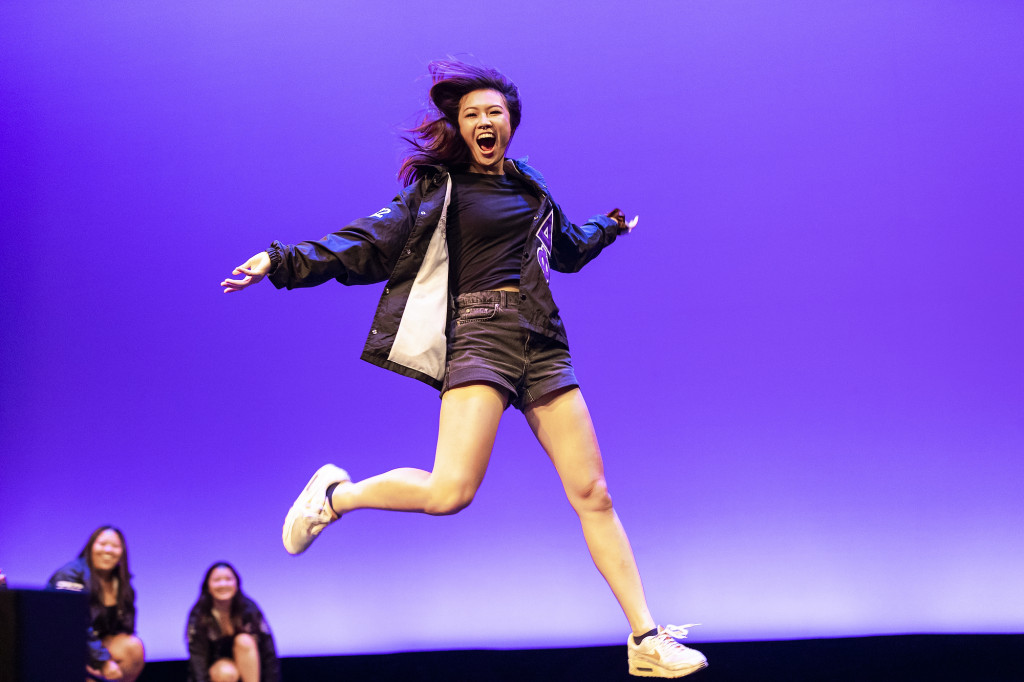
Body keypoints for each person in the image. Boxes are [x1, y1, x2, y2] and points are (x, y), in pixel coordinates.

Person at [221, 59, 707, 678]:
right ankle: (335, 497)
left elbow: (567, 250)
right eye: (471, 113)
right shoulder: (440, 191)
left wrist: (609, 228)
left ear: (511, 126)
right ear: (459, 125)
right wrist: (280, 260)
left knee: (594, 493)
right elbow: (368, 244)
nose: (483, 121)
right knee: (450, 492)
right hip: (480, 335)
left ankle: (646, 639)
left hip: (544, 340)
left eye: (494, 113)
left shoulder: (529, 187)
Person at [47, 526, 145, 681]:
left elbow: (125, 628)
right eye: (102, 544)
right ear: (90, 547)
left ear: (122, 553)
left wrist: (105, 659)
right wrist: (101, 662)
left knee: (133, 647)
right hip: (65, 647)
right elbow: (73, 625)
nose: (108, 550)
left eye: (114, 546)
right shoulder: (70, 575)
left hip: (98, 647)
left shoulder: (121, 582)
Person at [186, 562, 280, 682]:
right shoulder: (200, 614)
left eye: (228, 579)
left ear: (236, 583)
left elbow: (268, 652)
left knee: (244, 641)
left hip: (252, 673)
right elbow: (197, 660)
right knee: (225, 672)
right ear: (208, 586)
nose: (223, 584)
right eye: (217, 580)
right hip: (216, 673)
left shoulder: (249, 609)